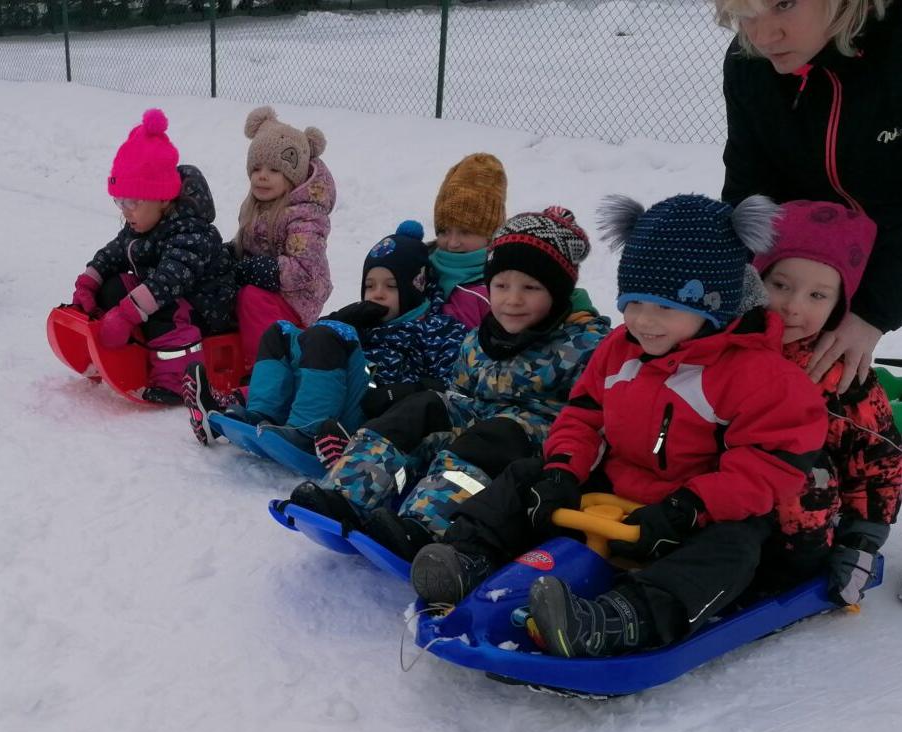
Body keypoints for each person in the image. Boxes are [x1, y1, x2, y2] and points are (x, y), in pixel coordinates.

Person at [409, 193, 829, 659]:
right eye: (633, 303)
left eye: (665, 308)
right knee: (527, 476)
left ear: (716, 307)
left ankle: (620, 619)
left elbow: (768, 465)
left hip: (694, 513)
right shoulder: (620, 348)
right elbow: (583, 415)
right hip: (619, 487)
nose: (643, 322)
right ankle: (469, 555)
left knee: (736, 546)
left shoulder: (762, 377)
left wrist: (688, 508)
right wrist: (563, 471)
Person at [283, 207, 609, 560]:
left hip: (533, 441)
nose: (512, 300)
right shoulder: (481, 338)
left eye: (530, 287)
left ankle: (425, 525)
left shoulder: (587, 345)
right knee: (422, 407)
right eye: (501, 286)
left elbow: (597, 420)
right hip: (476, 418)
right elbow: (457, 391)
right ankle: (345, 494)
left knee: (491, 436)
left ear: (558, 293)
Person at [718, 0, 902, 389]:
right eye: (746, 13)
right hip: (821, 263)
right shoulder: (749, 63)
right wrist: (735, 290)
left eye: (783, 4)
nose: (763, 36)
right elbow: (750, 192)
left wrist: (873, 312)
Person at [188, 221, 467, 452]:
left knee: (331, 334)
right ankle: (261, 414)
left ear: (416, 287)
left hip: (369, 410)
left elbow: (455, 388)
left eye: (391, 286)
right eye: (369, 286)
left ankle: (305, 431)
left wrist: (400, 392)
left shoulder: (438, 329)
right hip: (330, 393)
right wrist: (344, 318)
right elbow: (314, 344)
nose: (377, 294)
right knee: (281, 333)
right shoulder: (363, 320)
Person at [752, 199, 902, 604]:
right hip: (716, 514)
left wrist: (861, 543)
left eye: (818, 295)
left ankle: (783, 568)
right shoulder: (719, 346)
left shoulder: (840, 377)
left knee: (797, 462)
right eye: (779, 284)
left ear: (840, 306)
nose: (793, 306)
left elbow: (878, 464)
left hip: (802, 531)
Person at [70, 109, 236, 405]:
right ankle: (117, 350)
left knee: (163, 306)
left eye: (132, 201)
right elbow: (114, 253)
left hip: (207, 309)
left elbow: (167, 281)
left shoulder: (191, 233)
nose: (125, 210)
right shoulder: (143, 224)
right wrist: (89, 282)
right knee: (114, 285)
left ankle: (176, 379)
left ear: (162, 197)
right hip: (167, 299)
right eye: (120, 201)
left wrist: (126, 314)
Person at [228, 107, 335, 367]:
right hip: (270, 290)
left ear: (292, 176)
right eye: (256, 168)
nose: (262, 176)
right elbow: (248, 246)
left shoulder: (306, 215)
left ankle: (266, 366)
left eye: (274, 170)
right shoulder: (256, 206)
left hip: (298, 299)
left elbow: (303, 269)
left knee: (250, 297)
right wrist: (227, 255)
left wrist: (254, 270)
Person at [427, 153, 507, 331]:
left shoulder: (504, 287)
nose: (453, 243)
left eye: (465, 232)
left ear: (490, 235)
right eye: (444, 231)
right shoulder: (418, 269)